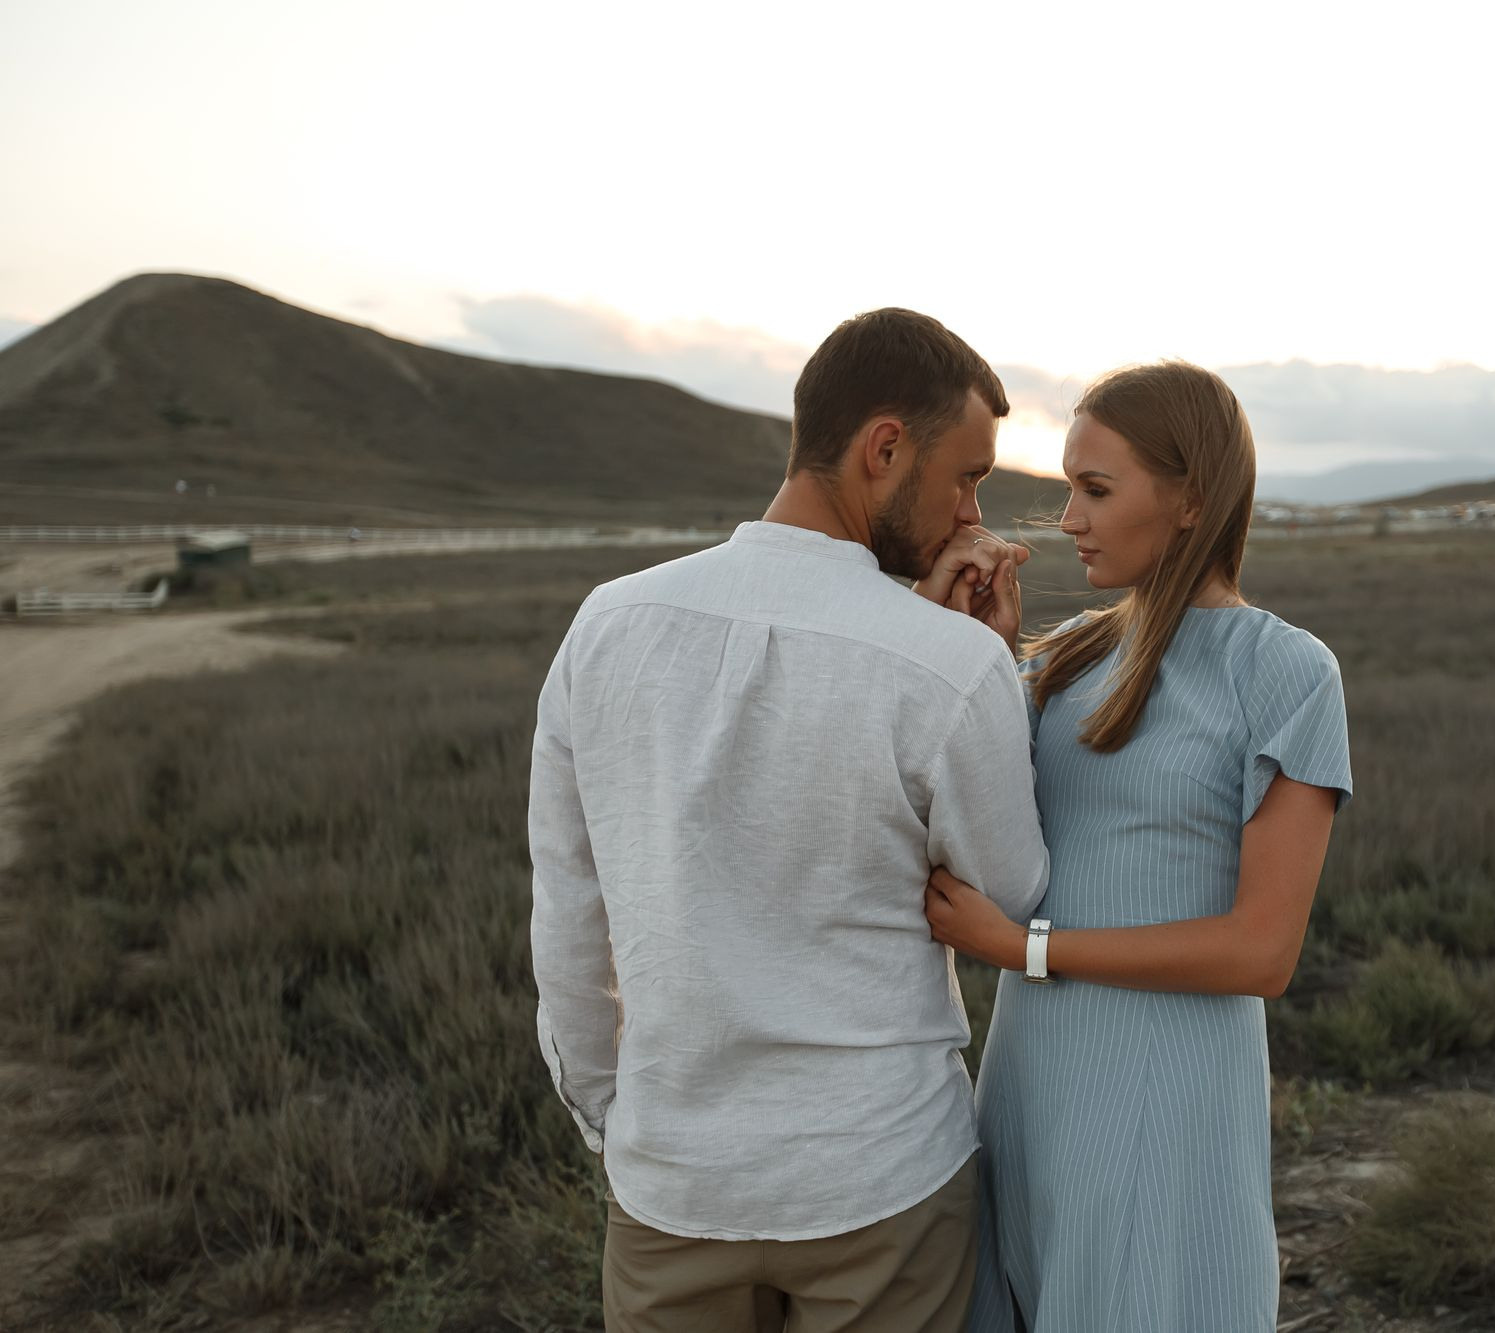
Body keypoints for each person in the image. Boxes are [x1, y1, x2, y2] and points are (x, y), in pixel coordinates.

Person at [528, 308, 1050, 1332]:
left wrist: (616, 1119)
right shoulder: (947, 662)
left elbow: (567, 914)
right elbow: (1014, 893)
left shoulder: (607, 624)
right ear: (883, 447)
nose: (970, 511)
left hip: (674, 1180)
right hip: (881, 1181)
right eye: (966, 475)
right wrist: (989, 662)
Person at [922, 361, 1354, 1331]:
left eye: (1095, 490)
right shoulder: (1067, 650)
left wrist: (1025, 949)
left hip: (1164, 1092)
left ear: (1191, 496)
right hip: (1030, 1077)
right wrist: (980, 658)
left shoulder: (1283, 671)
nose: (1066, 517)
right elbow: (981, 831)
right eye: (1068, 486)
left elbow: (1261, 951)